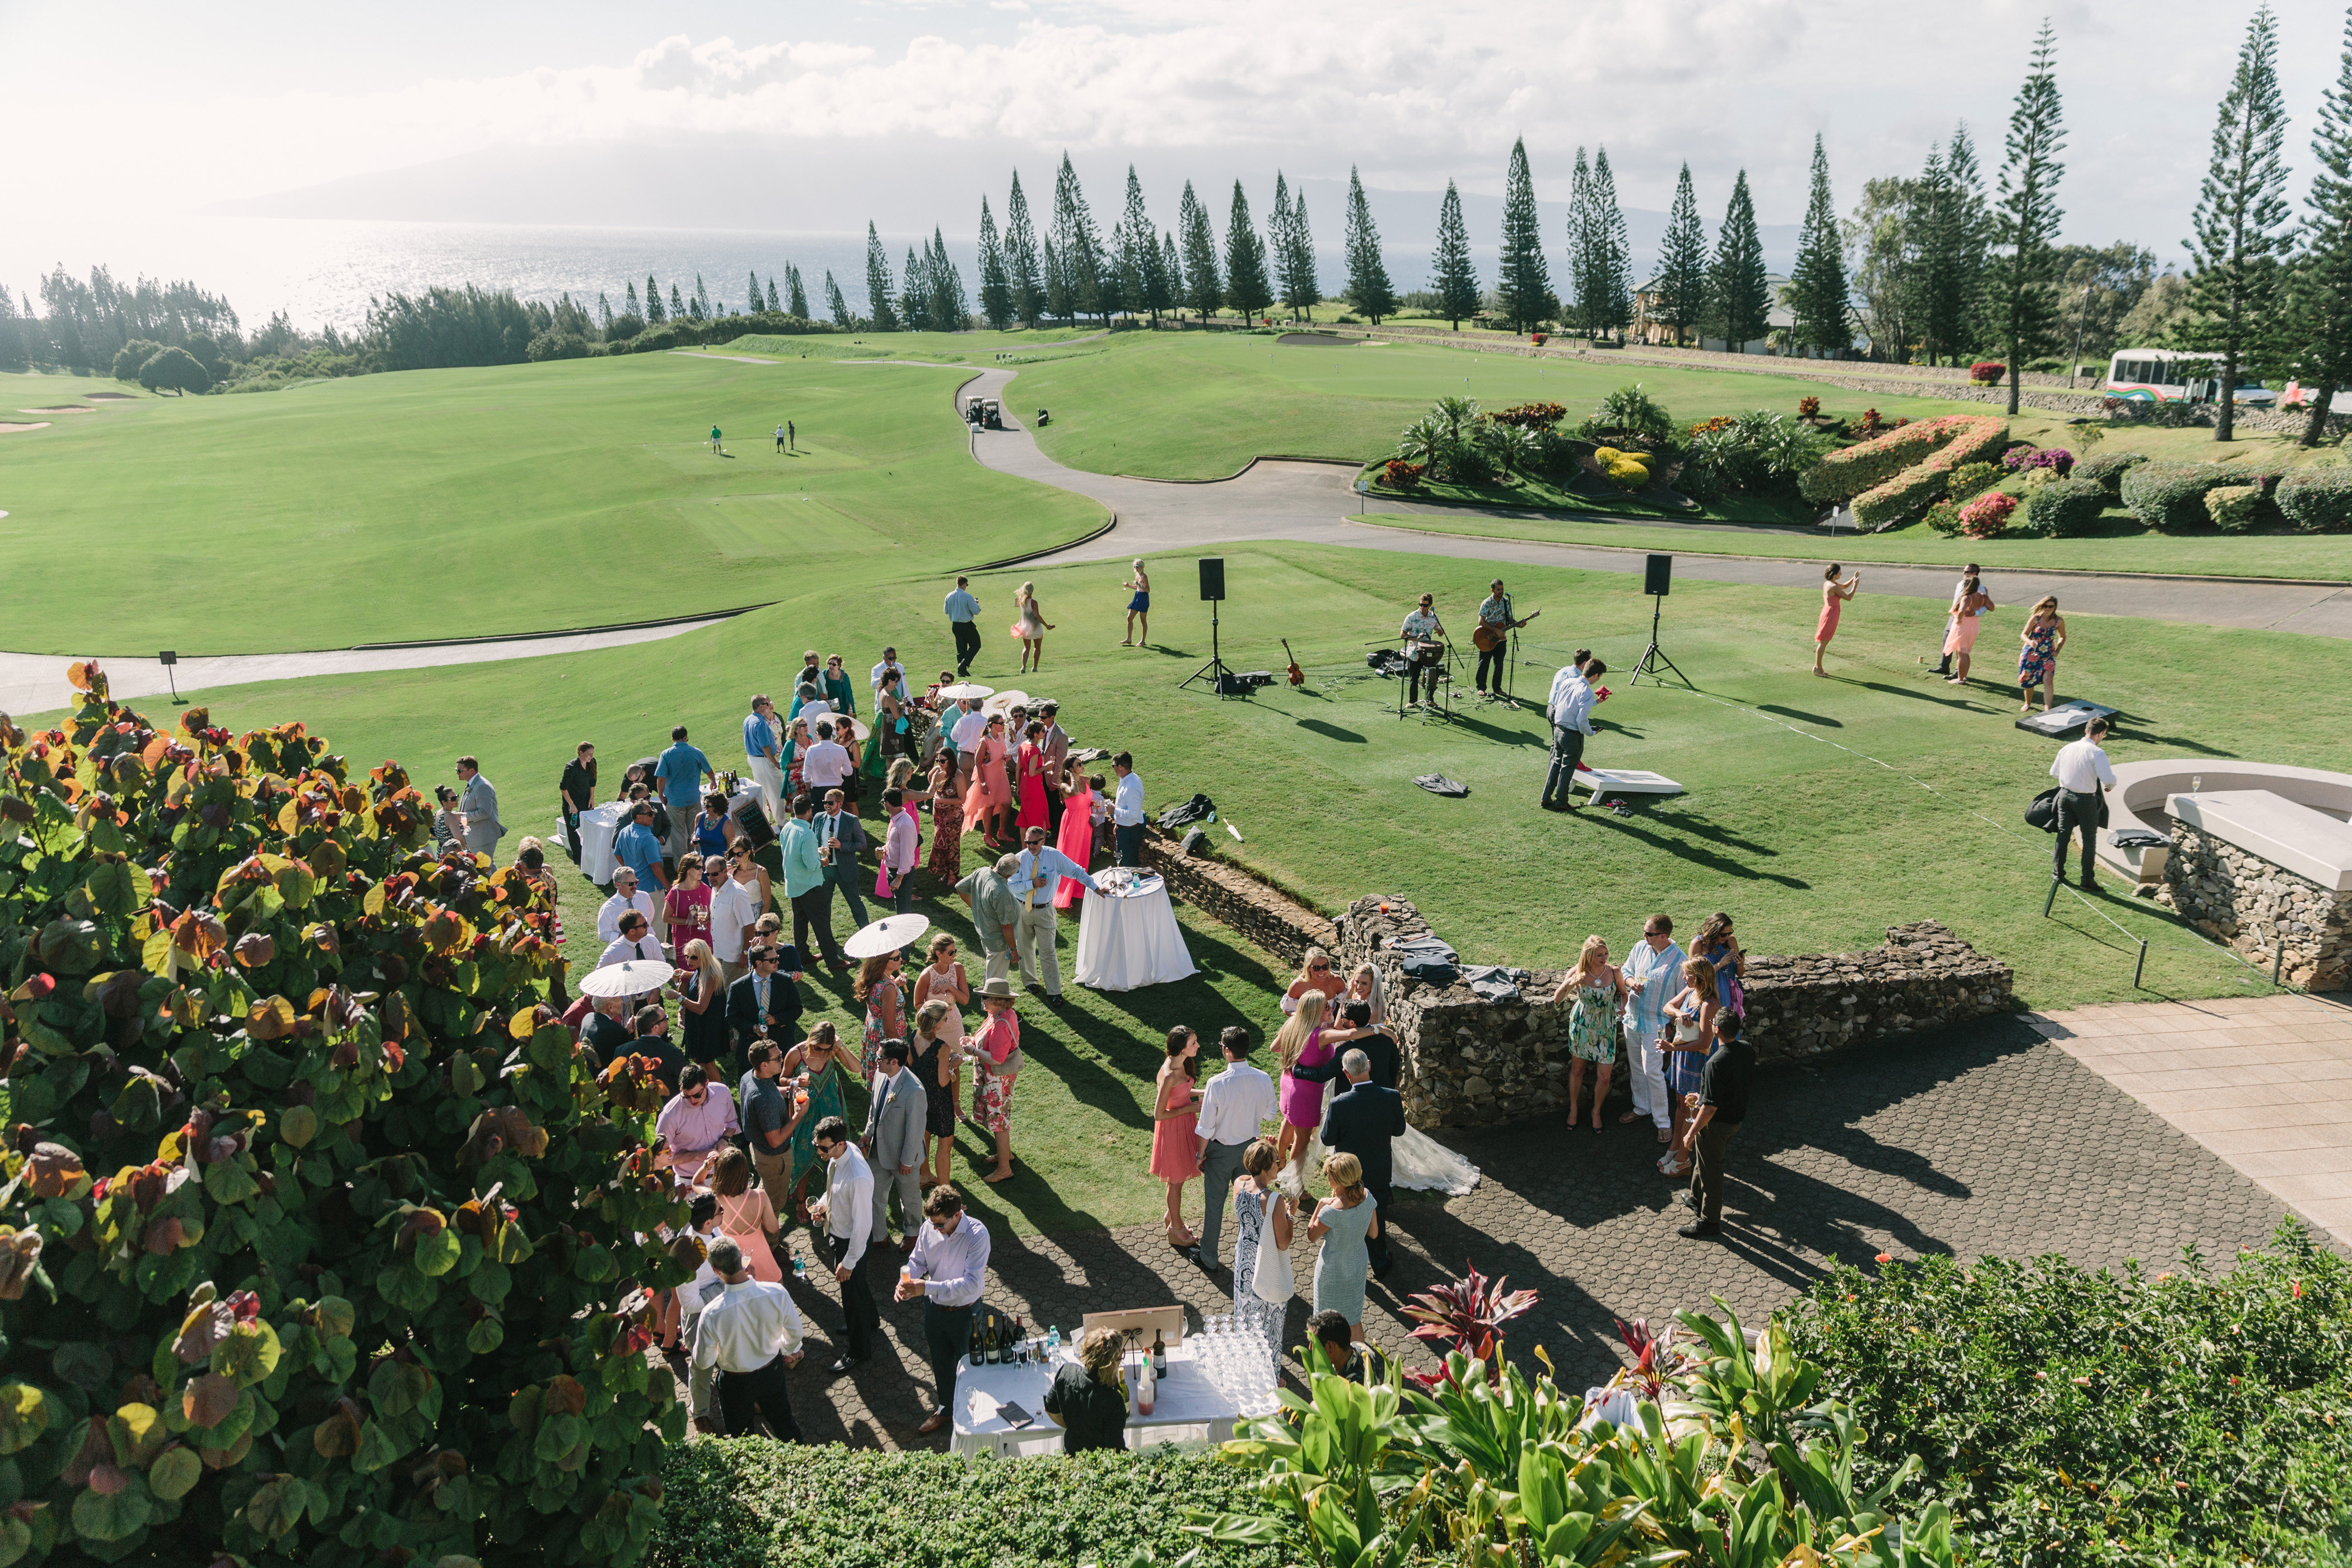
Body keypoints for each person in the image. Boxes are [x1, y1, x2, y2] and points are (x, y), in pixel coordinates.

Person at [895, 1184, 992, 1436]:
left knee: (970, 1365)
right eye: (933, 1223)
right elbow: (918, 1260)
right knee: (940, 1363)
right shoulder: (930, 1227)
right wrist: (906, 1279)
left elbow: (971, 1284)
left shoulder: (977, 1235)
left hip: (966, 1314)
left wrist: (926, 1287)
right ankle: (946, 1410)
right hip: (935, 1310)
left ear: (957, 1214)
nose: (935, 1228)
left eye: (940, 1224)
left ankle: (975, 1417)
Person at [689, 1238, 806, 1440]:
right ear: (740, 1260)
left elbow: (702, 1361)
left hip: (735, 1383)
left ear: (717, 1271)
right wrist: (784, 1349)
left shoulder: (710, 1314)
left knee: (741, 1437)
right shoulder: (777, 1293)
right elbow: (795, 1333)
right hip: (772, 1372)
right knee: (784, 1423)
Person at [1192, 1026, 1278, 1271]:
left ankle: (1208, 1257)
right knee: (1252, 1204)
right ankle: (1255, 1258)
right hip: (1250, 1150)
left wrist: (1200, 1156)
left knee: (1215, 1205)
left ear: (1227, 1051)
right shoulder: (1263, 1078)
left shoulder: (1216, 1083)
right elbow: (1271, 1115)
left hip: (1219, 1153)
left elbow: (1206, 1127)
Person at [1318, 1049, 1404, 1280]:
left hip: (1347, 1175)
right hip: (1378, 1169)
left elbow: (1327, 1139)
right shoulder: (1391, 1096)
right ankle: (1380, 1263)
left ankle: (1348, 1267)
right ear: (1369, 1064)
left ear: (1346, 1074)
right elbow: (1400, 1130)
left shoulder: (1339, 1103)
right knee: (1378, 1216)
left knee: (1345, 1215)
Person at [1675, 1011, 1755, 1239]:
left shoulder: (1714, 1063)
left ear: (1716, 1030)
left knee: (1712, 1170)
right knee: (1705, 1159)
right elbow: (1728, 1087)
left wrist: (1690, 1133)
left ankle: (1709, 1221)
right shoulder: (1746, 1050)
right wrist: (1702, 1096)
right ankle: (1695, 1197)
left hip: (1716, 1125)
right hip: (1735, 1118)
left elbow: (1710, 1110)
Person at [807, 1116, 878, 1371]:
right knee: (858, 1287)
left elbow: (862, 1226)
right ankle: (871, 1321)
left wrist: (848, 1262)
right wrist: (823, 1205)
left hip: (852, 1243)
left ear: (839, 1144)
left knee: (851, 1297)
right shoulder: (841, 1155)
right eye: (818, 1146)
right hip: (842, 1236)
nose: (820, 1152)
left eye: (824, 1148)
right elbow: (834, 1189)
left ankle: (859, 1350)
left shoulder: (858, 1177)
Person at [1008, 825, 1098, 1002]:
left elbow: (1076, 871)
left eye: (1034, 843)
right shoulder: (1019, 859)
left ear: (1043, 841)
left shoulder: (1054, 856)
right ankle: (1030, 982)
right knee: (1025, 950)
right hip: (1022, 910)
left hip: (1045, 911)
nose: (1030, 846)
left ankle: (1055, 992)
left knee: (1048, 952)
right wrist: (1031, 884)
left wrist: (1095, 887)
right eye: (1028, 842)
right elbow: (1011, 886)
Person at [1618, 916, 1686, 1144]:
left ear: (1663, 936)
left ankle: (1663, 1122)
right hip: (1633, 1019)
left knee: (1653, 1072)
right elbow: (1626, 970)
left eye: (1648, 933)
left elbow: (1682, 999)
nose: (1643, 936)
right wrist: (1630, 983)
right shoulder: (1640, 948)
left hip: (1656, 1025)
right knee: (1637, 1067)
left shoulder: (1679, 962)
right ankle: (1641, 1107)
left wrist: (1670, 1026)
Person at [1229, 1138, 1294, 1371]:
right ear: (1267, 1168)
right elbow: (1284, 1242)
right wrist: (1290, 1216)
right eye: (1277, 1161)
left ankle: (1245, 1367)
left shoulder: (1239, 1184)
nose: (1279, 1164)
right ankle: (1270, 1375)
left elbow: (1249, 1177)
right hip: (1265, 1265)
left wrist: (1263, 1148)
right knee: (1269, 1322)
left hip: (1243, 1262)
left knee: (1244, 1316)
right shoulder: (1275, 1201)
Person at [782, 1021, 861, 1210]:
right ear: (811, 1039)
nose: (820, 1052)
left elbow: (856, 1068)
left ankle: (836, 1199)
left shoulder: (832, 1051)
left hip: (831, 1110)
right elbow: (783, 1078)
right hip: (806, 1111)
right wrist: (795, 1080)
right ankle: (801, 1202)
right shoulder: (795, 1054)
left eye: (826, 1048)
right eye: (817, 1047)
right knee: (803, 1154)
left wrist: (840, 1047)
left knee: (836, 1154)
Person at [1553, 935, 1627, 1133]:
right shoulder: (1578, 972)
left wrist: (1623, 1007)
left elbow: (1623, 994)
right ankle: (1574, 1108)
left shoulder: (1614, 971)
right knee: (1577, 1071)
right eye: (1599, 955)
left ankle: (1596, 1112)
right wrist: (1570, 983)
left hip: (1606, 1027)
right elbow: (1557, 999)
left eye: (1606, 954)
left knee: (1604, 1076)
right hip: (1582, 1027)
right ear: (1588, 956)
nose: (1604, 958)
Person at [862, 1036, 928, 1247]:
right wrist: (867, 1133)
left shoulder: (914, 1091)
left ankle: (913, 1235)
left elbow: (916, 1130)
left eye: (880, 1058)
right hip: (878, 1152)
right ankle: (879, 1236)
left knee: (909, 1199)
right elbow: (875, 1108)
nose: (876, 1060)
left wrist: (907, 1161)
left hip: (903, 1157)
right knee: (874, 1195)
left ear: (894, 1062)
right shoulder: (881, 1076)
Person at [1307, 1151, 1379, 1341]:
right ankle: (1362, 1364)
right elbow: (1374, 1233)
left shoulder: (1331, 1212)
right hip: (1357, 1267)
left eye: (1329, 1175)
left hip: (1332, 1271)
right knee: (1353, 1319)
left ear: (1337, 1180)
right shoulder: (1367, 1197)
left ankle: (1316, 1367)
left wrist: (1320, 1205)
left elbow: (1311, 1236)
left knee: (1321, 1322)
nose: (1327, 1177)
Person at [1658, 957, 1720, 1177]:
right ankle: (1674, 1149)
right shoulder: (1690, 992)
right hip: (1682, 1058)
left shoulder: (1709, 1005)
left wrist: (1671, 1048)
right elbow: (1668, 1007)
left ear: (1700, 977)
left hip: (1695, 1063)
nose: (1684, 978)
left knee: (1691, 1110)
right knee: (1680, 1106)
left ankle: (1683, 1159)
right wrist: (1679, 1013)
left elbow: (1705, 1043)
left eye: (1688, 975)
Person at [1273, 991, 1335, 1185]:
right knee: (1302, 1141)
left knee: (1289, 1121)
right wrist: (1377, 1030)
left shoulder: (1293, 1023)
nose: (1331, 1008)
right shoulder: (1320, 1035)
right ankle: (1295, 1185)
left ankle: (1279, 1161)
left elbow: (1275, 1047)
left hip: (1289, 1082)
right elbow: (1350, 1033)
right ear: (1315, 1011)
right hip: (1306, 1093)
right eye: (1326, 1006)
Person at [1151, 1027, 1204, 1249]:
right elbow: (1159, 1114)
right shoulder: (1169, 1074)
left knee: (1177, 1180)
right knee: (1176, 1182)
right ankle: (1176, 1228)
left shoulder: (1181, 1063)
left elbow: (1184, 1092)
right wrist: (1191, 1107)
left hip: (1184, 1125)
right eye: (1194, 1043)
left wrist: (1206, 1092)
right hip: (1173, 1130)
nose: (1198, 1046)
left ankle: (1171, 1217)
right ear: (1182, 1048)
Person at [2050, 714, 2117, 891]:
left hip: (2064, 796)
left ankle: (2057, 873)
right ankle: (2087, 881)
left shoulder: (2067, 748)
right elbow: (2108, 778)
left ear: (2086, 730)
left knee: (2063, 835)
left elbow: (2054, 772)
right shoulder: (2097, 752)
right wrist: (2111, 785)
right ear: (2100, 734)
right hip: (2085, 800)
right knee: (2089, 840)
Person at [780, 793, 846, 971]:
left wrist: (815, 851)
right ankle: (833, 960)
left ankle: (803, 955)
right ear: (810, 811)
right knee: (821, 923)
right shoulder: (807, 833)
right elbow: (812, 865)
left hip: (794, 883)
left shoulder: (787, 828)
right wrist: (823, 861)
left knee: (800, 922)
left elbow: (793, 853)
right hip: (809, 885)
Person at [967, 976, 1023, 1183]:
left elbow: (997, 1059)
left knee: (999, 1123)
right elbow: (986, 1043)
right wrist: (973, 1040)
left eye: (986, 998)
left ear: (999, 1000)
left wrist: (973, 1050)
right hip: (996, 1080)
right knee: (1000, 1120)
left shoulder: (1000, 1023)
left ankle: (1004, 1169)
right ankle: (1005, 1154)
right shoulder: (999, 1014)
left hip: (996, 1081)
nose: (983, 1001)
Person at [740, 1039, 804, 1214]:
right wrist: (799, 1115)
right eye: (778, 1058)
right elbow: (776, 1141)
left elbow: (770, 1090)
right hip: (774, 1158)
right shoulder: (765, 1100)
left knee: (767, 1187)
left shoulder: (750, 1076)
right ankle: (771, 1240)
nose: (782, 1060)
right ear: (765, 1065)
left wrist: (790, 1089)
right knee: (774, 1204)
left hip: (758, 1150)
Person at [1043, 1327, 1130, 1454]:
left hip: (1071, 1456)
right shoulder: (1114, 1401)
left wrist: (1075, 1428)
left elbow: (1050, 1409)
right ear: (1110, 1365)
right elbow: (1116, 1450)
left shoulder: (1066, 1373)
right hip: (1097, 1465)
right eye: (1120, 1358)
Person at [656, 1064, 740, 1187]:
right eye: (686, 1096)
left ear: (706, 1084)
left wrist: (725, 1139)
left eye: (697, 1095)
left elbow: (731, 1122)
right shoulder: (670, 1114)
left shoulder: (722, 1093)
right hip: (689, 1180)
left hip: (722, 1173)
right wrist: (696, 1156)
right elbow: (660, 1157)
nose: (692, 1101)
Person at [909, 998, 962, 1190]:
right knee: (945, 1144)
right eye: (945, 1019)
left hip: (919, 1098)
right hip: (939, 1101)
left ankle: (924, 1176)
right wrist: (952, 1066)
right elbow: (943, 1081)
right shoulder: (942, 1048)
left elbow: (911, 1066)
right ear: (936, 1022)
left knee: (924, 1137)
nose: (946, 1022)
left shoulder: (913, 1036)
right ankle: (945, 1192)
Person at [710, 1146, 783, 1282]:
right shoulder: (760, 1196)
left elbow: (697, 1183)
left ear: (719, 1172)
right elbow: (773, 1229)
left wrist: (705, 1166)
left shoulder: (714, 1201)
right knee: (777, 1300)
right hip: (764, 1262)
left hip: (734, 1267)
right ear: (744, 1171)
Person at [727, 942, 804, 1073]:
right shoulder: (738, 987)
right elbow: (732, 1017)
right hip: (751, 1052)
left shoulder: (785, 981)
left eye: (777, 957)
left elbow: (797, 1009)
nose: (778, 962)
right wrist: (753, 1028)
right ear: (759, 963)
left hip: (781, 1048)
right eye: (772, 960)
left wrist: (776, 1019)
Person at [1542, 658, 1602, 811]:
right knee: (1567, 768)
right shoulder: (1587, 693)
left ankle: (1546, 798)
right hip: (1572, 735)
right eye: (1600, 676)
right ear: (1595, 675)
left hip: (1558, 730)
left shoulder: (1567, 683)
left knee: (1555, 765)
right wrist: (1591, 732)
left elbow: (1561, 704)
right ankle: (1561, 802)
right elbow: (1582, 721)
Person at [954, 854, 1023, 988]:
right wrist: (1013, 949)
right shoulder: (1002, 892)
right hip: (998, 942)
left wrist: (974, 907)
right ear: (1009, 876)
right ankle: (988, 1004)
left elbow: (960, 887)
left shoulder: (982, 871)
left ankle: (987, 1002)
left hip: (985, 933)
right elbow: (1006, 926)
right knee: (995, 979)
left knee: (991, 969)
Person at [814, 787, 871, 934]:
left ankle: (866, 933)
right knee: (823, 905)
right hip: (824, 870)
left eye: (830, 803)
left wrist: (842, 846)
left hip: (844, 870)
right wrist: (818, 850)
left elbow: (863, 845)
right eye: (825, 802)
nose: (827, 805)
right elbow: (813, 842)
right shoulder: (818, 818)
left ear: (840, 804)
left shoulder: (851, 820)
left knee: (855, 904)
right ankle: (823, 936)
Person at [676, 938, 730, 1080]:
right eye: (687, 956)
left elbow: (701, 1008)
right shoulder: (704, 970)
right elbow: (699, 976)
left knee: (707, 1062)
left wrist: (678, 997)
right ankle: (710, 1086)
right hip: (701, 1023)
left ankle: (718, 1091)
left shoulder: (709, 976)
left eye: (694, 957)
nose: (689, 961)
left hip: (707, 1025)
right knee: (698, 1058)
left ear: (704, 957)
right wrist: (688, 974)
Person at [962, 714, 1014, 853]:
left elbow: (1000, 754)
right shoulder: (984, 741)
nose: (1004, 725)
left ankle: (1001, 832)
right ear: (993, 725)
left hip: (1001, 774)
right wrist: (984, 784)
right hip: (989, 776)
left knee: (1007, 804)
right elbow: (978, 763)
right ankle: (987, 835)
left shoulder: (1002, 737)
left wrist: (1006, 757)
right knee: (989, 806)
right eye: (1001, 723)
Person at [708, 850, 760, 986]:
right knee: (720, 993)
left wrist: (744, 953)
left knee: (731, 994)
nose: (710, 877)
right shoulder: (715, 889)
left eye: (714, 874)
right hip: (718, 953)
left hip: (734, 957)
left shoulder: (737, 892)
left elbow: (749, 924)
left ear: (725, 871)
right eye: (707, 874)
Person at [855, 948, 906, 1079]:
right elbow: (889, 1028)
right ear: (883, 962)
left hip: (874, 1032)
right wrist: (903, 1051)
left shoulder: (877, 977)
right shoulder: (888, 989)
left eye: (899, 955)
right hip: (888, 1038)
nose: (900, 959)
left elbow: (879, 998)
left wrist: (896, 984)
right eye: (896, 958)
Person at [1052, 766, 1098, 909]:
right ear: (1071, 769)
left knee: (1083, 855)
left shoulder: (1087, 781)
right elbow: (1075, 792)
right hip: (1072, 823)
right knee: (1070, 856)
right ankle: (1064, 892)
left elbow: (1087, 798)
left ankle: (1077, 890)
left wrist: (1091, 805)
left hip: (1085, 822)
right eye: (1079, 764)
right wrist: (1072, 777)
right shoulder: (1064, 786)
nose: (1082, 765)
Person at [1943, 569, 1996, 685]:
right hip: (1974, 626)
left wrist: (1958, 619)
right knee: (1966, 653)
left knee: (1961, 653)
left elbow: (1961, 611)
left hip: (1963, 626)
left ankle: (1960, 679)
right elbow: (1992, 608)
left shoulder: (1967, 597)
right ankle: (1964, 677)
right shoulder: (1983, 597)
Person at [2018, 594, 2066, 715]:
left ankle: (2047, 711)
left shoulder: (2058, 621)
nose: (2048, 608)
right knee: (2028, 680)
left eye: (2051, 606)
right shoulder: (2036, 618)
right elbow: (2024, 634)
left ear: (2055, 607)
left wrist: (2058, 650)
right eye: (2046, 606)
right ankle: (2027, 703)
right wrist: (2030, 641)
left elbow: (2063, 637)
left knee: (2049, 680)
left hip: (2047, 655)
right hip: (2031, 654)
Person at [925, 749, 967, 884]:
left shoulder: (958, 776)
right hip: (939, 816)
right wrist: (934, 787)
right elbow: (930, 777)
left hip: (953, 817)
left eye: (942, 761)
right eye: (938, 760)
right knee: (940, 843)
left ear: (951, 760)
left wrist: (943, 801)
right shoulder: (938, 771)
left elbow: (962, 799)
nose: (940, 763)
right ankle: (945, 872)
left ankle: (953, 875)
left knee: (952, 845)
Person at [1398, 593, 1446, 710]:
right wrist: (1415, 638)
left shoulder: (1433, 617)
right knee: (1413, 678)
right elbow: (1402, 635)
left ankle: (1430, 700)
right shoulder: (1411, 617)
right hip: (1414, 652)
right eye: (1420, 605)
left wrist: (1440, 633)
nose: (1422, 607)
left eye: (1425, 605)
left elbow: (1439, 631)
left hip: (1429, 653)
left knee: (1432, 677)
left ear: (1430, 605)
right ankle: (1412, 702)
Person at [879, 786, 921, 915]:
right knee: (900, 906)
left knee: (904, 911)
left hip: (901, 874)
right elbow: (894, 843)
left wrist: (898, 878)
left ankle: (906, 934)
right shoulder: (896, 819)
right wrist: (884, 849)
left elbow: (907, 855)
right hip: (894, 870)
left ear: (888, 804)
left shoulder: (904, 824)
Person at [1473, 578, 1520, 694]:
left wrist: (1519, 624)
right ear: (1492, 590)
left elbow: (1509, 620)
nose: (1501, 592)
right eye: (1498, 590)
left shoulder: (1506, 602)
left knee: (1499, 664)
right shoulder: (1487, 603)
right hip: (1487, 637)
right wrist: (1495, 630)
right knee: (1484, 663)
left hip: (1501, 639)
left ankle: (1497, 688)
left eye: (1502, 589)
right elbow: (1481, 621)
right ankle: (1481, 688)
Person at [1307, 1308, 1382, 1379]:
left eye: (1313, 1343)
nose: (1310, 1348)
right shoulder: (1360, 1346)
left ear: (1330, 1347)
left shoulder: (1348, 1386)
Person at [1813, 564, 1860, 676]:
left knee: (1825, 641)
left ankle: (1818, 667)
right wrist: (1856, 585)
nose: (1841, 574)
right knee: (1824, 641)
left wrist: (1853, 579)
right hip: (1830, 615)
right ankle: (1817, 668)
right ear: (1834, 574)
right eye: (1840, 572)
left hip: (1830, 613)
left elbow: (1844, 586)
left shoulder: (1829, 584)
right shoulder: (1833, 587)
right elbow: (1849, 597)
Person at [664, 853, 713, 958]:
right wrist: (691, 922)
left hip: (705, 939)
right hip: (684, 942)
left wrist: (706, 918)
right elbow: (665, 918)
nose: (702, 871)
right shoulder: (675, 893)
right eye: (698, 867)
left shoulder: (705, 889)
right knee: (686, 972)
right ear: (688, 869)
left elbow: (712, 911)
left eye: (702, 868)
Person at [598, 865, 659, 948]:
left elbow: (650, 917)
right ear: (618, 885)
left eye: (636, 882)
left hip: (648, 945)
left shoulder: (645, 897)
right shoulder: (608, 908)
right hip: (624, 948)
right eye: (630, 884)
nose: (634, 886)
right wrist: (626, 937)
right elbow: (603, 935)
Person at [454, 756, 505, 856]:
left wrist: (462, 816)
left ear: (471, 771)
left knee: (484, 867)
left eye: (460, 770)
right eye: (457, 770)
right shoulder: (473, 783)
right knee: (488, 867)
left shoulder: (482, 786)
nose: (457, 773)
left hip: (483, 836)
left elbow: (485, 813)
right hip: (477, 837)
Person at [615, 802, 670, 893]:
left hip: (633, 887)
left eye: (653, 813)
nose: (654, 816)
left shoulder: (624, 832)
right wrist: (668, 886)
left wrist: (630, 873)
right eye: (650, 814)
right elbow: (656, 866)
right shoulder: (648, 839)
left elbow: (617, 854)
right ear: (639, 817)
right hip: (651, 888)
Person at [558, 741, 597, 862]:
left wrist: (592, 798)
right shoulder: (571, 767)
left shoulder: (592, 763)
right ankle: (578, 857)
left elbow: (593, 781)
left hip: (586, 800)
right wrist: (571, 804)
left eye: (592, 753)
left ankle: (590, 852)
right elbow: (563, 787)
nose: (591, 756)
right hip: (573, 803)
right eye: (588, 754)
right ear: (581, 753)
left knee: (589, 826)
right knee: (574, 829)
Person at [1036, 701, 1071, 831]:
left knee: (1056, 806)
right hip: (1043, 774)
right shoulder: (1042, 730)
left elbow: (1061, 762)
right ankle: (1051, 827)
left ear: (1052, 717)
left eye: (1043, 717)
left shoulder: (1061, 736)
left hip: (1053, 778)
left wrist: (1055, 782)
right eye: (1039, 716)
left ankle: (1058, 831)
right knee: (1047, 805)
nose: (1040, 719)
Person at [1282, 949, 1350, 1015]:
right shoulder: (1297, 986)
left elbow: (1346, 1003)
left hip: (1331, 1023)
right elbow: (1287, 1010)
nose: (1322, 971)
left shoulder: (1336, 981)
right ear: (1308, 968)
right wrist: (1298, 1016)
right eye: (1316, 968)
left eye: (1325, 967)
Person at [1014, 721, 1051, 838]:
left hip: (1024, 784)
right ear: (1036, 734)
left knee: (1024, 816)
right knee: (1041, 816)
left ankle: (1025, 847)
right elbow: (1032, 773)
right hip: (1034, 786)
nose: (1045, 733)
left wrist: (1019, 787)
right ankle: (1040, 844)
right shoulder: (1034, 749)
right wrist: (1046, 767)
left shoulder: (1023, 745)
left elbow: (1018, 769)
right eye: (1043, 731)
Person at [800, 721, 854, 799]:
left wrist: (808, 791)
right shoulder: (841, 750)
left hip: (818, 790)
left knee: (818, 811)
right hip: (836, 789)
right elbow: (849, 772)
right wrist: (839, 768)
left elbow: (807, 774)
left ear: (818, 734)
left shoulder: (811, 750)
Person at [1110, 752, 1146, 867]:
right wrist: (1118, 824)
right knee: (1123, 862)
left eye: (1113, 766)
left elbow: (1134, 814)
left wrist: (1114, 811)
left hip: (1129, 833)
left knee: (1128, 866)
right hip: (1125, 829)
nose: (1113, 769)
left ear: (1120, 767)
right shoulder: (1126, 779)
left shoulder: (1131, 787)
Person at [945, 575, 984, 675]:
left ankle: (961, 671)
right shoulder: (967, 597)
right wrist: (976, 604)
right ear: (964, 584)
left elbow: (946, 611)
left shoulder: (949, 596)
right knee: (976, 644)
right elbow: (976, 611)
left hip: (955, 625)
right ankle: (964, 664)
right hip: (967, 625)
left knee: (961, 648)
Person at [1014, 580, 1053, 674]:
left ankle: (1023, 667)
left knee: (1026, 647)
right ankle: (1035, 667)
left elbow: (1017, 605)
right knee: (1037, 647)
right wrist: (1046, 625)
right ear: (1032, 591)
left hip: (1025, 628)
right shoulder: (1034, 602)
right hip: (1035, 628)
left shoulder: (1020, 600)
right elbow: (1037, 616)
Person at [691, 794, 734, 862]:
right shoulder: (699, 817)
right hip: (702, 863)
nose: (705, 807)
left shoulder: (727, 824)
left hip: (719, 865)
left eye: (708, 806)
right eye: (704, 804)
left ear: (717, 807)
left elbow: (731, 848)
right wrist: (693, 840)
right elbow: (695, 834)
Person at [1121, 559, 1151, 646]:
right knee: (1129, 618)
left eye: (1137, 566)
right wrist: (1129, 586)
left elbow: (1148, 590)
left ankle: (1143, 641)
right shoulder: (1137, 575)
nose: (1135, 568)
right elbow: (1138, 587)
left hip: (1144, 598)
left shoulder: (1144, 576)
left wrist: (1139, 584)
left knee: (1143, 620)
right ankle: (1129, 638)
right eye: (1134, 566)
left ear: (1141, 567)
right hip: (1137, 596)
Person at [822, 655, 857, 719]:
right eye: (829, 664)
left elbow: (849, 694)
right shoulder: (824, 675)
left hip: (842, 707)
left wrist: (850, 709)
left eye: (834, 665)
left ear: (839, 666)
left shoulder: (844, 677)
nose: (831, 666)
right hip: (829, 707)